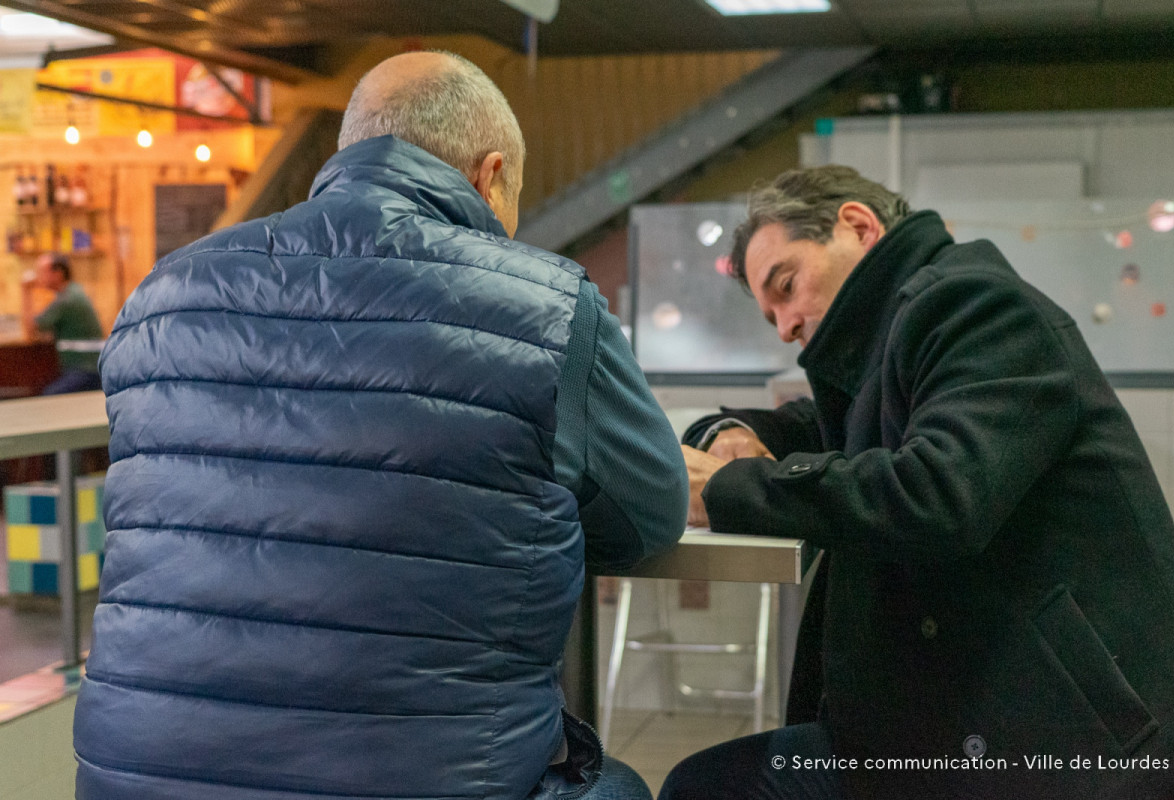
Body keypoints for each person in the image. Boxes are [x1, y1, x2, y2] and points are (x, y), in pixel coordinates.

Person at [73, 51, 688, 800]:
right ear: (491, 175)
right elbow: (650, 515)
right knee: (619, 786)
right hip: (428, 781)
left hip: (137, 778)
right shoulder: (549, 307)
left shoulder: (159, 295)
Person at [662, 165, 1174, 800]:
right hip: (980, 716)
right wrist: (726, 431)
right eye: (770, 312)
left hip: (1070, 742)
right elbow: (817, 428)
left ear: (858, 226)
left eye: (786, 286)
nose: (784, 326)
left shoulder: (978, 305)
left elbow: (940, 495)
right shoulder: (898, 336)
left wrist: (729, 488)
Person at [20, 251, 103, 394]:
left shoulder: (66, 300)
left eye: (42, 271)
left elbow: (31, 328)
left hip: (86, 370)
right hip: (91, 367)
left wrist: (26, 292)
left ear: (58, 274)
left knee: (48, 398)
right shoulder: (73, 292)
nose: (39, 277)